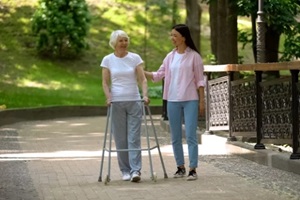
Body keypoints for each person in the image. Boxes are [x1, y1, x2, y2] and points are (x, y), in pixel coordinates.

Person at [144, 24, 205, 181]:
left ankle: (193, 168)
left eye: (175, 35)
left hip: (190, 99)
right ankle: (180, 167)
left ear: (183, 38)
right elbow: (159, 75)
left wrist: (202, 101)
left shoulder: (194, 57)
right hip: (172, 100)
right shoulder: (169, 57)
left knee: (191, 135)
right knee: (175, 136)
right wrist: (140, 71)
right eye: (171, 35)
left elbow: (200, 81)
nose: (172, 38)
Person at [100, 30, 150, 183]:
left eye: (126, 40)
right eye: (121, 40)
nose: (124, 43)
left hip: (134, 101)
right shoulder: (108, 60)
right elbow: (105, 82)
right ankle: (125, 170)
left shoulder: (134, 58)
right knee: (120, 138)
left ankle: (136, 170)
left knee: (133, 137)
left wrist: (145, 95)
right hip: (117, 102)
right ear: (114, 43)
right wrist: (108, 98)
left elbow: (142, 80)